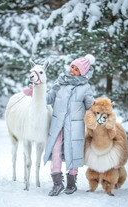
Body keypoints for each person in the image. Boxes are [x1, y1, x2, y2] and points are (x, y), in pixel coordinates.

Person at [24, 54, 95, 196]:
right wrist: (35, 92)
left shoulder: (85, 88)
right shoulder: (60, 83)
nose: (72, 70)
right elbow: (48, 98)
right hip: (58, 125)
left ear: (83, 72)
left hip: (74, 127)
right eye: (72, 67)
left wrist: (99, 115)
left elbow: (90, 106)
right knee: (55, 151)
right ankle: (57, 183)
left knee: (72, 152)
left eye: (76, 69)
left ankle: (71, 183)